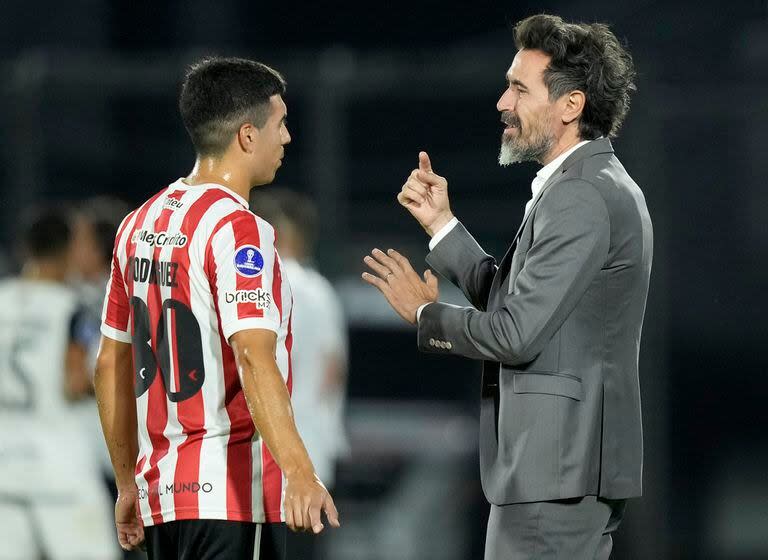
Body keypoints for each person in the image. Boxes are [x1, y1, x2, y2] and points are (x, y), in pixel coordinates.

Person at [362, 14, 651, 560]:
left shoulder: (581, 195)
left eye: (520, 88)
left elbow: (516, 333)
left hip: (556, 469)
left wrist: (428, 315)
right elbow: (518, 305)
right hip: (560, 468)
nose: (503, 102)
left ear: (571, 106)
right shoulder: (584, 185)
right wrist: (442, 226)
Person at [94, 57, 339, 560]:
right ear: (247, 136)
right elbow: (253, 356)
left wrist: (126, 484)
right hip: (230, 494)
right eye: (281, 123)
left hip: (162, 496)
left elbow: (110, 364)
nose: (288, 138)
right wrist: (299, 471)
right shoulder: (239, 231)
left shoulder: (136, 224)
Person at [0, 209, 119, 560]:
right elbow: (75, 381)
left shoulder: (1, 299)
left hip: (4, 461)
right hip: (59, 464)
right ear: (68, 251)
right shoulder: (73, 308)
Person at [250, 189, 349, 560]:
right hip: (314, 455)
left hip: (261, 457)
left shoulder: (258, 286)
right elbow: (331, 373)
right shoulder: (322, 292)